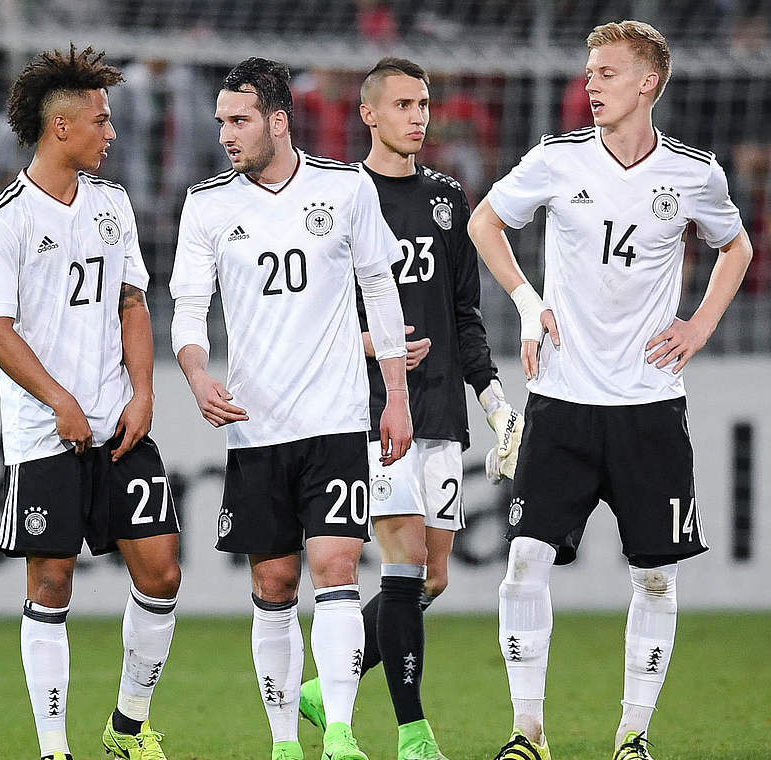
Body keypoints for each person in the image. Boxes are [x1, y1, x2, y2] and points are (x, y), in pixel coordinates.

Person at [467, 21, 753, 760]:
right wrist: (529, 304)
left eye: (607, 72)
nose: (590, 84)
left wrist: (698, 326)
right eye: (589, 72)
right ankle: (526, 733)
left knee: (654, 578)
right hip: (561, 400)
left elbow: (737, 244)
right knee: (523, 562)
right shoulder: (557, 159)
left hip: (650, 406)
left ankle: (633, 735)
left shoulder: (694, 172)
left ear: (648, 82)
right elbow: (485, 221)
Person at [170, 57, 412, 760]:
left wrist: (394, 397)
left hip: (336, 419)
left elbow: (381, 290)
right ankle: (284, 743)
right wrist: (195, 372)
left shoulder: (345, 189)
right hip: (255, 426)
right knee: (274, 581)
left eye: (239, 120)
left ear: (279, 120)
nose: (226, 135)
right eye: (221, 121)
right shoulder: (209, 204)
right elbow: (187, 310)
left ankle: (337, 729)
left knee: (337, 566)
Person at [295, 57, 521, 760]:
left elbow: (464, 312)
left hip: (442, 410)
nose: (418, 116)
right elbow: (308, 317)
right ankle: (413, 733)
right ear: (368, 114)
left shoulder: (448, 198)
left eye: (423, 103)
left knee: (433, 574)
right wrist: (371, 344)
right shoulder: (338, 200)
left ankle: (325, 683)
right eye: (402, 104)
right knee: (404, 559)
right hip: (373, 410)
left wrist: (490, 393)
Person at [0, 46, 181, 760]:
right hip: (45, 432)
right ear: (61, 129)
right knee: (51, 578)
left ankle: (125, 727)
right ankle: (54, 747)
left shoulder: (112, 205)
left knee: (161, 570)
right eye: (101, 120)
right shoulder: (3, 220)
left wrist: (144, 392)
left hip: (118, 419)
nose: (111, 133)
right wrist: (58, 399)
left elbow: (132, 300)